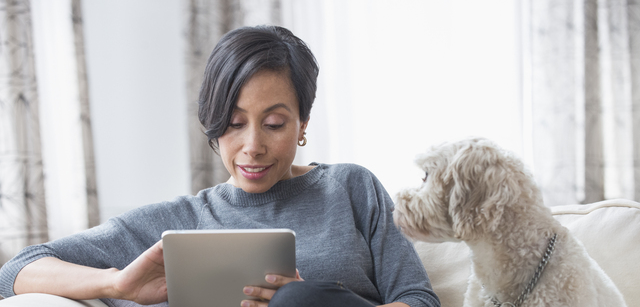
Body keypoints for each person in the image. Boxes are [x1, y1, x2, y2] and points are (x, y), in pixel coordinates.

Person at [0, 25, 440, 307]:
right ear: (212, 126)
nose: (252, 146)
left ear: (303, 123)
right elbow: (15, 273)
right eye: (233, 124)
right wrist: (115, 284)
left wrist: (319, 301)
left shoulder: (349, 188)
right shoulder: (179, 221)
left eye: (273, 123)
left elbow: (418, 299)